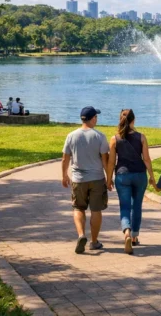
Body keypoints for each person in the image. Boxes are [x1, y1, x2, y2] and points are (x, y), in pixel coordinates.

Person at [106, 109, 155, 254]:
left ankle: (126, 231)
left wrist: (108, 179)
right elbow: (146, 159)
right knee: (137, 206)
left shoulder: (115, 138)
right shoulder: (141, 137)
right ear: (134, 119)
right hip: (140, 175)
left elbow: (111, 162)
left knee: (125, 206)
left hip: (122, 176)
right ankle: (134, 237)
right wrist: (152, 176)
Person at [62, 106, 110, 254]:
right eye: (96, 117)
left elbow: (65, 158)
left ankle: (81, 235)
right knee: (96, 210)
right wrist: (109, 179)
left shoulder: (71, 136)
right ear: (93, 118)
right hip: (97, 178)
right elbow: (105, 160)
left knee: (78, 208)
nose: (97, 119)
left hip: (78, 179)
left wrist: (64, 174)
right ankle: (94, 242)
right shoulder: (100, 136)